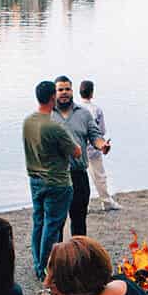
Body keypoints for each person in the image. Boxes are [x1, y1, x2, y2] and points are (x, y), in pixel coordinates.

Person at [23, 80, 80, 281]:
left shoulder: (28, 121)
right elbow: (76, 151)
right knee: (52, 225)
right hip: (57, 182)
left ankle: (38, 264)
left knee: (38, 221)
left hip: (35, 180)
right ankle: (46, 267)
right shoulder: (54, 127)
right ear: (52, 98)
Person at [52, 76, 99, 238]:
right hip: (56, 177)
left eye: (67, 89)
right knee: (56, 222)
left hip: (79, 175)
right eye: (60, 90)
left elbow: (95, 136)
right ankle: (55, 259)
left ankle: (80, 259)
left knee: (79, 220)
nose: (64, 93)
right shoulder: (47, 115)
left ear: (72, 91)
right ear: (54, 92)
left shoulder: (84, 114)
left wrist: (102, 145)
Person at [79, 80, 120, 211]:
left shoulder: (76, 109)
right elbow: (101, 131)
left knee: (79, 177)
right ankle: (106, 201)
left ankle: (83, 204)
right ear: (91, 93)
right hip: (94, 148)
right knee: (99, 176)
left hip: (79, 148)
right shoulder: (96, 110)